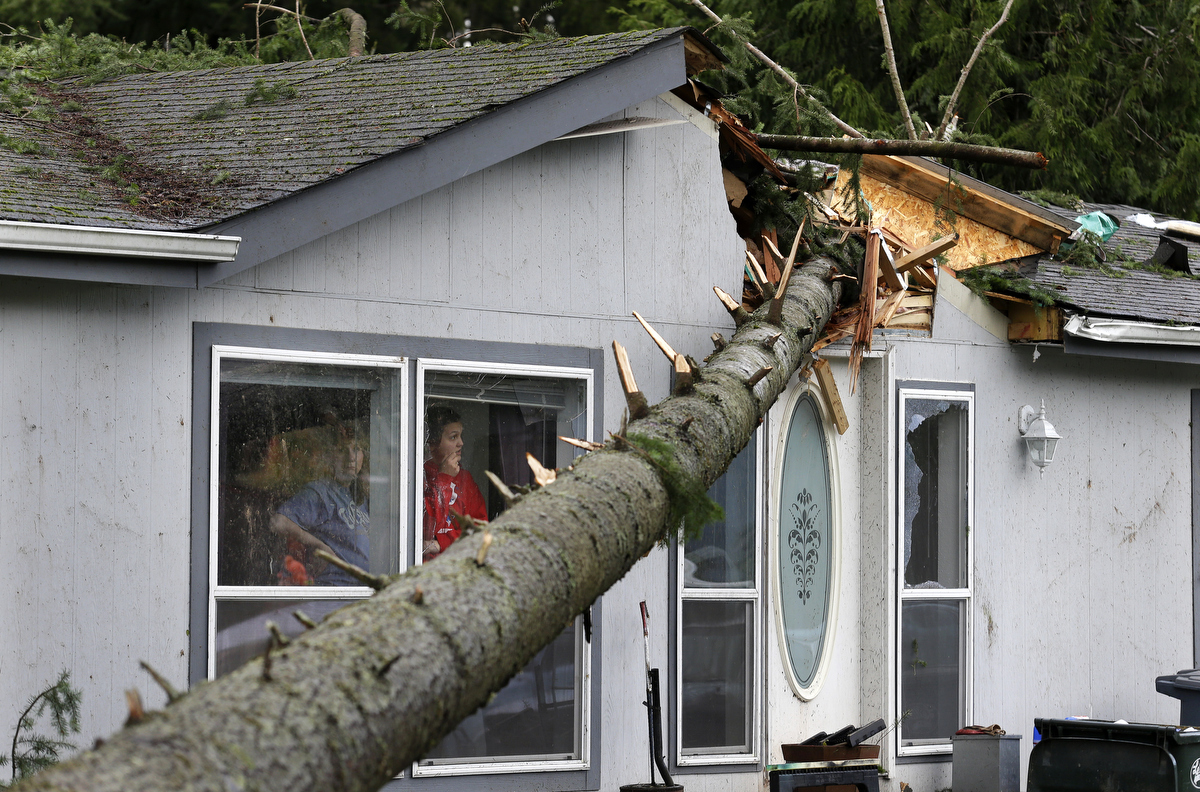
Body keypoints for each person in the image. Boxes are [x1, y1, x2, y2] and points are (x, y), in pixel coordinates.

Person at [269, 429, 370, 586]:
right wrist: (318, 545)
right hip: (334, 591)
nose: (350, 457)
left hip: (362, 592)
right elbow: (279, 522)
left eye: (356, 449)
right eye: (342, 450)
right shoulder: (320, 492)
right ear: (330, 456)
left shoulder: (359, 497)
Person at [423, 403, 487, 562]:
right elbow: (426, 529)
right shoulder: (417, 475)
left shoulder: (465, 479)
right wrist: (444, 478)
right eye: (453, 437)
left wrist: (440, 543)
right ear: (432, 444)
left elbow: (480, 532)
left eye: (460, 436)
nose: (461, 443)